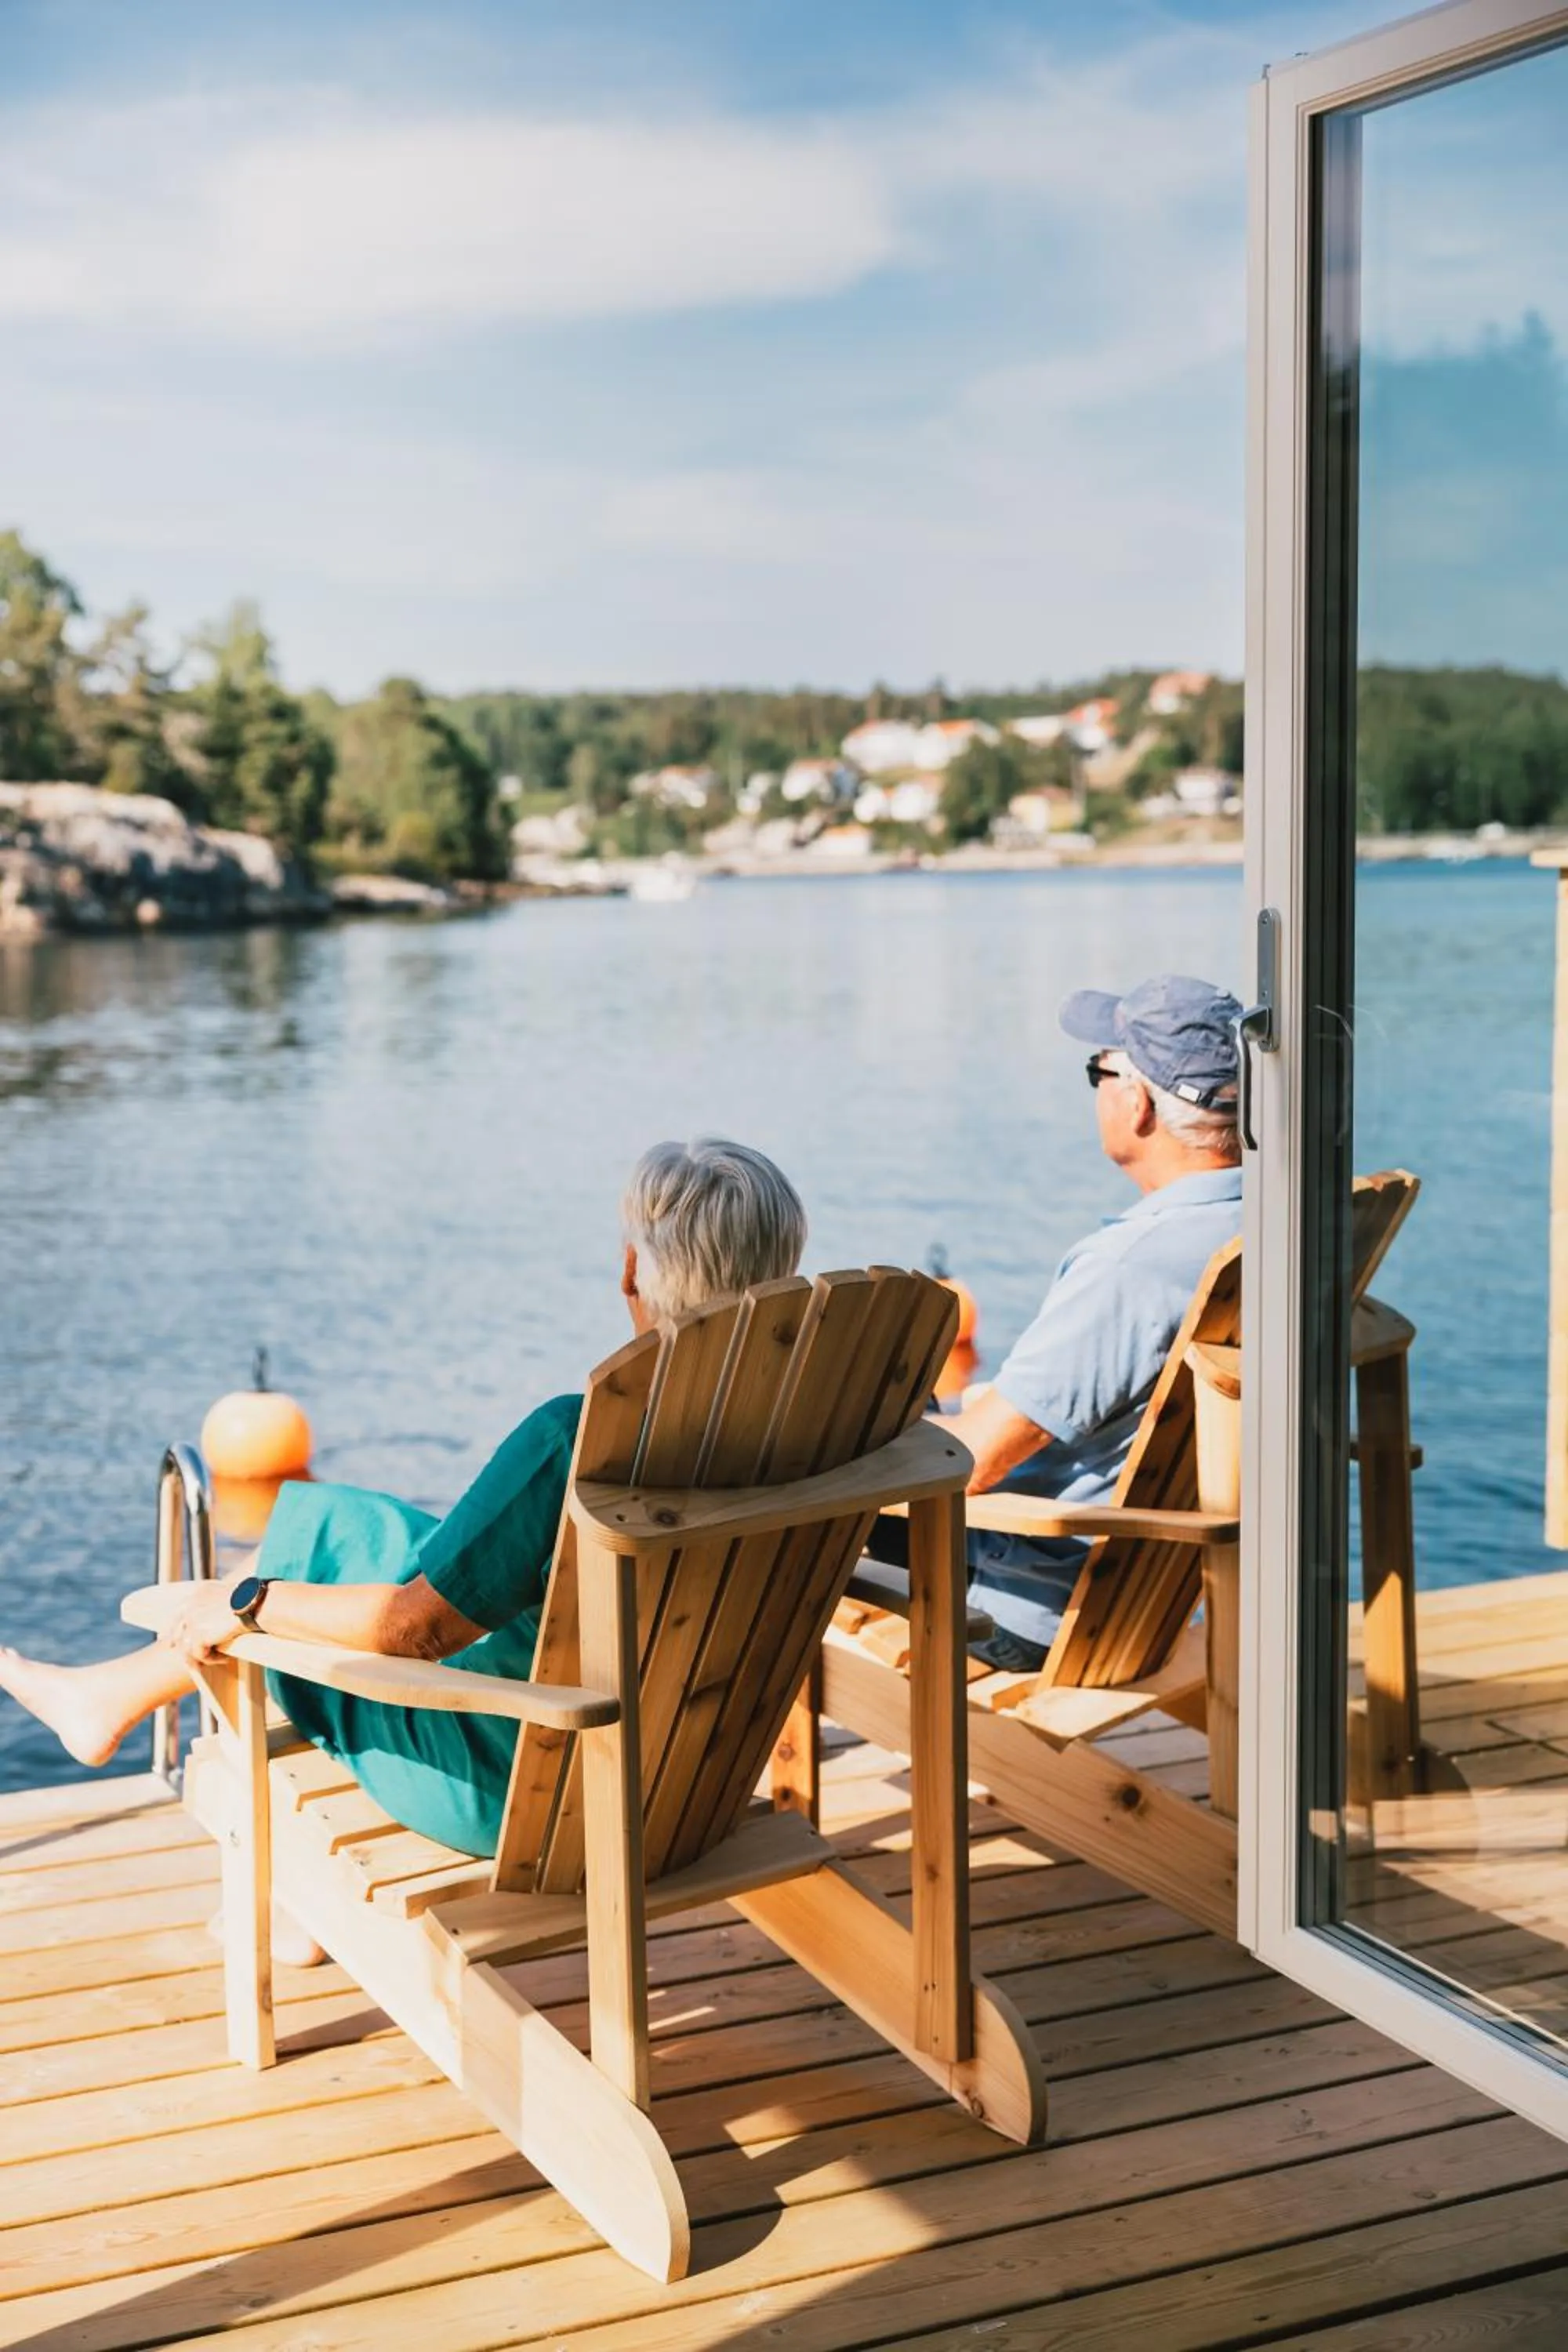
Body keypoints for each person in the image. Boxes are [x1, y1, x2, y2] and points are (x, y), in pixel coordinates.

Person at [0, 1139, 808, 1892]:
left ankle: (260, 1866)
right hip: (696, 1779)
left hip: (526, 1784)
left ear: (631, 1272)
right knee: (339, 1525)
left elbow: (414, 1633)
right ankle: (113, 1698)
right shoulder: (816, 1431)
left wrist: (248, 1604)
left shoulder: (577, 1438)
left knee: (267, 1620)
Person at [872, 975, 1244, 1673]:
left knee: (798, 1487)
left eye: (1098, 1071)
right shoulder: (1257, 1225)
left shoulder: (1132, 1266)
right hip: (1161, 1585)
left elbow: (972, 1466)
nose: (1099, 1091)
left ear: (1137, 1104)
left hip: (1025, 1599)